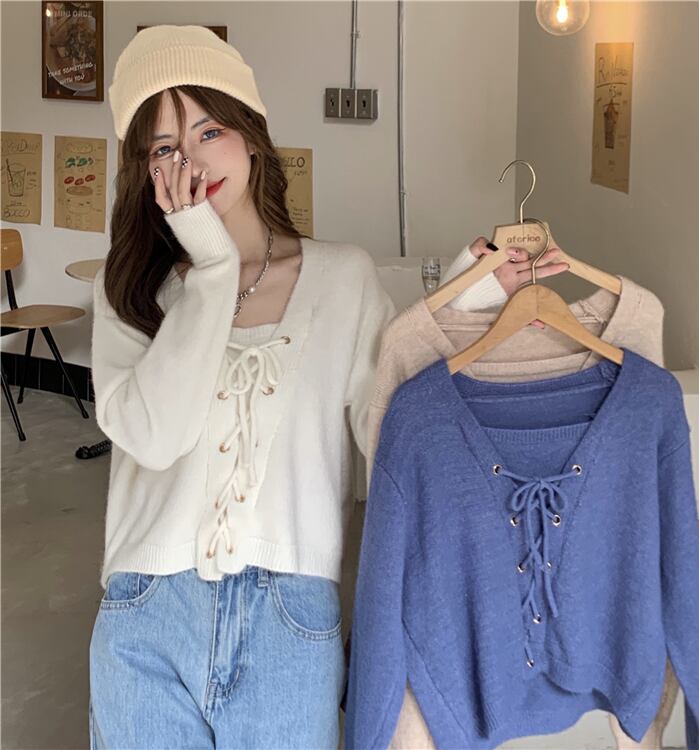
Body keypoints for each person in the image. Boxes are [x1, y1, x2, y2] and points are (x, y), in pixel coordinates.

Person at [89, 24, 568, 749]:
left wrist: (466, 297)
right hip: (145, 615)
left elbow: (391, 425)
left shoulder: (341, 277)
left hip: (290, 620)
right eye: (164, 148)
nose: (191, 161)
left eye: (210, 130)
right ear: (145, 171)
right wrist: (212, 267)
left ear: (251, 137)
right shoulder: (128, 289)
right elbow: (156, 437)